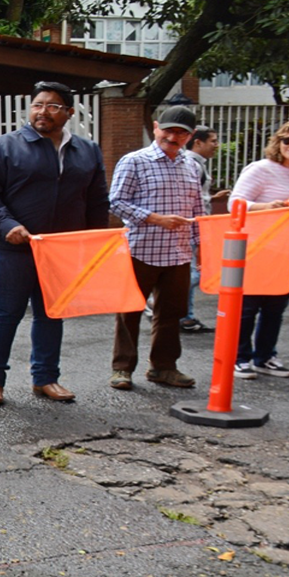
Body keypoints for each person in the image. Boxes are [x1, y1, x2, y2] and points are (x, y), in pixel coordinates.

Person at [0, 81, 110, 406]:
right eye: (37, 104)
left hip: (61, 249)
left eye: (52, 106)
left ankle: (46, 378)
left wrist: (91, 242)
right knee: (6, 314)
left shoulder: (87, 150)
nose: (42, 111)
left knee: (51, 314)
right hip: (11, 248)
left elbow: (97, 200)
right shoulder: (3, 147)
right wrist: (8, 225)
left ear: (69, 113)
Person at [108, 105, 206, 391]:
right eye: (168, 129)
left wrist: (201, 245)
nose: (173, 136)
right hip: (140, 250)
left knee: (171, 314)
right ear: (155, 127)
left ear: (190, 136)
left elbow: (197, 208)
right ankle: (122, 369)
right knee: (129, 312)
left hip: (178, 253)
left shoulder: (191, 165)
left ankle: (163, 367)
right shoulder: (135, 161)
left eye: (181, 132)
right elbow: (115, 202)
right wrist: (155, 219)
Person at [228, 119, 289, 380]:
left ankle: (265, 356)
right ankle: (240, 358)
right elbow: (234, 204)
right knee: (248, 306)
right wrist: (266, 207)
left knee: (276, 307)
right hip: (261, 247)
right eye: (287, 139)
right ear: (278, 141)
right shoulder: (261, 170)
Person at [178, 125, 231, 332]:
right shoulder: (192, 164)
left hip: (197, 225)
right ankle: (158, 302)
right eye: (213, 141)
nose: (216, 145)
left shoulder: (198, 164)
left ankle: (186, 317)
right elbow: (190, 197)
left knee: (193, 270)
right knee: (195, 272)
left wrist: (212, 198)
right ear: (197, 142)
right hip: (193, 226)